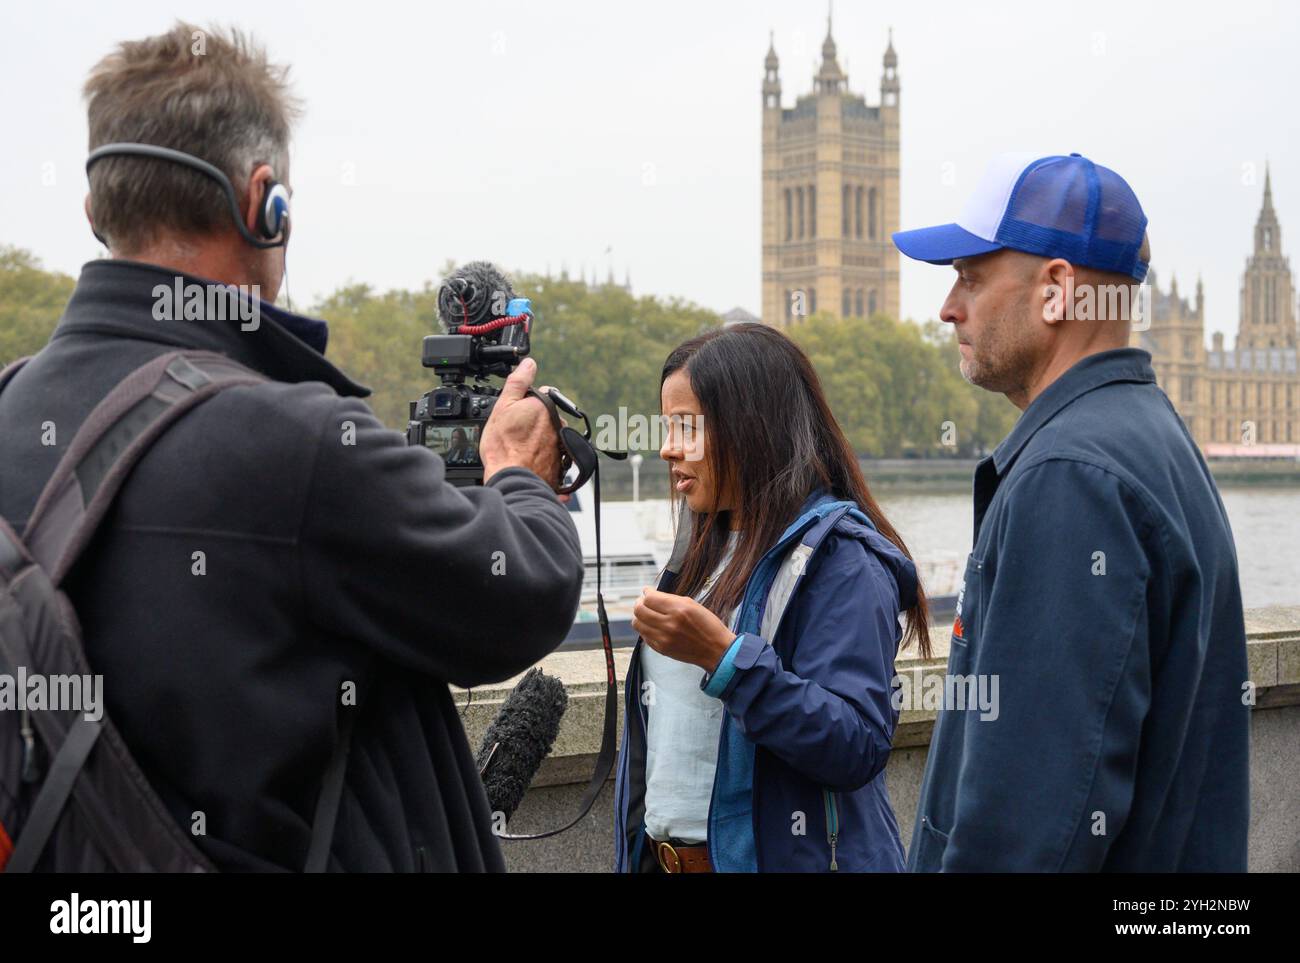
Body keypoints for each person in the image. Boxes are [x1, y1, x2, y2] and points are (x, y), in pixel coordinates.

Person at [0, 23, 584, 871]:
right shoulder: (295, 440)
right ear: (263, 200)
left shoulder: (10, 405)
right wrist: (518, 477)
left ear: (97, 211)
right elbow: (520, 593)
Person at [894, 152, 1249, 871]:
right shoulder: (1154, 437)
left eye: (970, 275)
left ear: (1057, 289)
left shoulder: (1070, 477)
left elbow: (1026, 829)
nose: (948, 307)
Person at [613, 323, 930, 872]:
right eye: (667, 428)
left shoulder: (844, 558)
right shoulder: (700, 548)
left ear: (751, 427)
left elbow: (857, 744)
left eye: (687, 427)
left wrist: (726, 661)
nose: (667, 449)